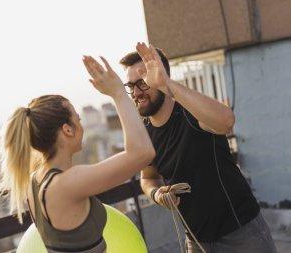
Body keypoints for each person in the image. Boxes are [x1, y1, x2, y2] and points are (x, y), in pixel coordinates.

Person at [119, 42, 277, 253]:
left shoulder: (191, 111)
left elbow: (226, 121)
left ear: (161, 77)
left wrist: (167, 85)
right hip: (196, 240)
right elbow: (148, 178)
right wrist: (156, 193)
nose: (137, 92)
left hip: (241, 233)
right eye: (131, 86)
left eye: (143, 83)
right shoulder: (145, 133)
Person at [0, 55, 155, 253]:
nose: (81, 124)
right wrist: (119, 94)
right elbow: (142, 152)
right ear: (67, 130)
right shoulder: (68, 182)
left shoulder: (34, 181)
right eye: (77, 119)